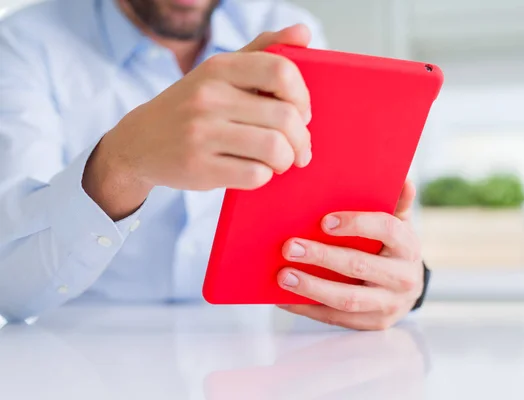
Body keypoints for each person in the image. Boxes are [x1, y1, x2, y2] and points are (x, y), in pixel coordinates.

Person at [0, 0, 429, 330]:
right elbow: (11, 289)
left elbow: (336, 223)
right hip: (79, 360)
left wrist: (398, 283)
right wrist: (123, 162)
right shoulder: (25, 43)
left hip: (256, 366)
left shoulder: (290, 28)